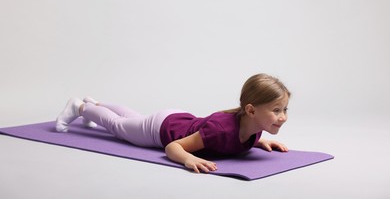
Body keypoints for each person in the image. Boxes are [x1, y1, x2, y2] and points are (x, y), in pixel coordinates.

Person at [55, 73, 290, 173]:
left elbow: (239, 136)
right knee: (119, 127)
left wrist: (261, 142)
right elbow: (173, 147)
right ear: (250, 110)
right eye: (276, 110)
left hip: (177, 117)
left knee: (133, 118)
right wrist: (189, 158)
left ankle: (96, 103)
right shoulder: (220, 131)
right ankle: (80, 107)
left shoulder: (253, 129)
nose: (283, 117)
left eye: (285, 109)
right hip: (160, 130)